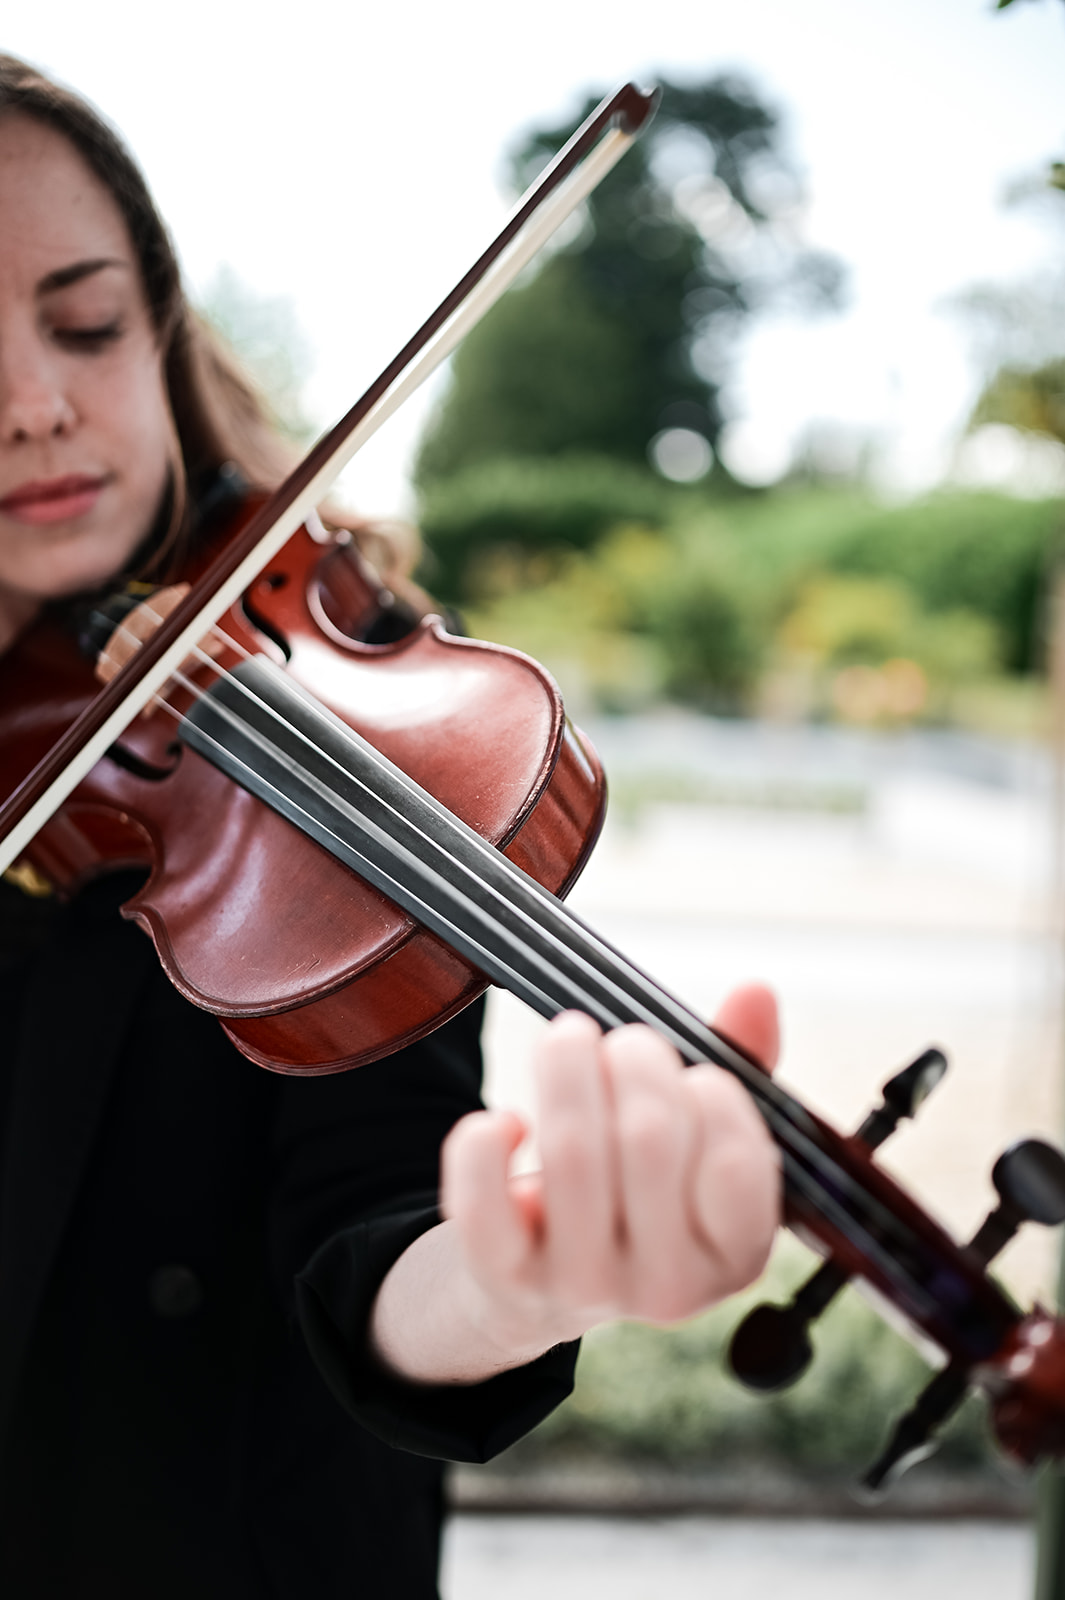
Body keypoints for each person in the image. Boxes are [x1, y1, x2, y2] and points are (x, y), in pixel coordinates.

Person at [0, 54, 781, 1600]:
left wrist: (504, 1284)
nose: (37, 404)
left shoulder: (333, 691)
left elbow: (371, 1208)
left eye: (86, 323)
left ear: (158, 319)